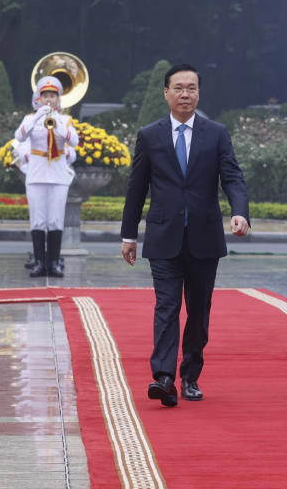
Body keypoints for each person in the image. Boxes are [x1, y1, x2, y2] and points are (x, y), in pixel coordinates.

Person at [120, 63, 250, 407]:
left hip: (205, 237)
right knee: (166, 305)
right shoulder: (150, 135)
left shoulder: (216, 133)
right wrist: (129, 235)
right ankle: (163, 377)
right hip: (163, 236)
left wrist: (239, 211)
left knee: (198, 311)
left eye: (191, 88)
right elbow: (137, 188)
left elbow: (232, 177)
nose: (185, 94)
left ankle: (190, 375)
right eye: (178, 88)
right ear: (166, 93)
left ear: (198, 93)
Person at [14, 76, 79, 278]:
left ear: (58, 99)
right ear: (39, 99)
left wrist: (57, 124)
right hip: (36, 172)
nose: (49, 99)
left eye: (52, 96)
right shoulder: (29, 119)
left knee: (56, 220)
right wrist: (36, 117)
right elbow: (19, 137)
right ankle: (39, 263)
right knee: (38, 220)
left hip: (58, 174)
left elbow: (75, 141)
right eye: (45, 96)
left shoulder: (65, 120)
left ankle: (54, 263)